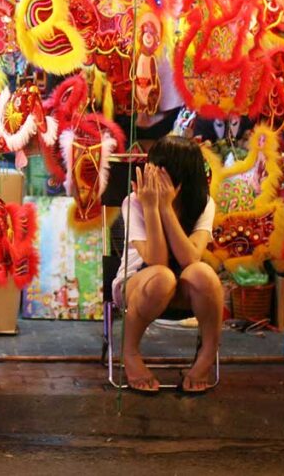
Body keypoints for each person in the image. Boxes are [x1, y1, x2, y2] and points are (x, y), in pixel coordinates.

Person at [112, 135, 222, 394]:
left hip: (185, 290)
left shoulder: (204, 204)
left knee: (203, 273)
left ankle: (206, 357)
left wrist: (166, 209)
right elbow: (156, 260)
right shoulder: (135, 202)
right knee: (162, 276)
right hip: (139, 286)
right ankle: (130, 355)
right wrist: (152, 207)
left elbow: (190, 258)